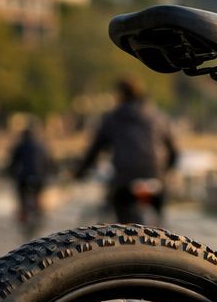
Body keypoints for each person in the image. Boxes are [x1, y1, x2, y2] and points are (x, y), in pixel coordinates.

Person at [75, 79, 179, 224]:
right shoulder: (159, 116)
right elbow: (174, 151)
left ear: (120, 95)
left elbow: (95, 149)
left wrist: (80, 171)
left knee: (122, 223)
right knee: (160, 224)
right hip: (155, 177)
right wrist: (165, 173)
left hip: (125, 178)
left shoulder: (113, 118)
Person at [6, 120, 53, 234]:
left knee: (21, 197)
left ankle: (23, 214)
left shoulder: (19, 146)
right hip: (39, 177)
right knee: (39, 195)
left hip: (24, 177)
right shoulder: (42, 146)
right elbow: (49, 163)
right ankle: (40, 211)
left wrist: (10, 173)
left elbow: (12, 163)